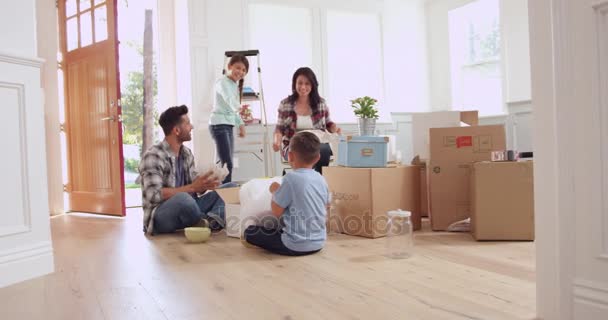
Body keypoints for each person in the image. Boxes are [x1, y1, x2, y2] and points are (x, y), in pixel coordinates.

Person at [139, 105, 231, 235]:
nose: (192, 126)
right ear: (176, 130)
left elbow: (195, 188)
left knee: (230, 188)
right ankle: (202, 219)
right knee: (183, 198)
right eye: (187, 123)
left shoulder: (186, 153)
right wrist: (192, 188)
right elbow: (153, 195)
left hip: (190, 206)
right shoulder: (153, 155)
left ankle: (211, 222)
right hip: (161, 215)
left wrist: (206, 184)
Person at [243, 132, 330, 256]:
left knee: (250, 231)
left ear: (290, 156)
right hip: (319, 243)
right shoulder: (321, 179)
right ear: (318, 157)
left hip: (294, 245)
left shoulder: (290, 178)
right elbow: (326, 206)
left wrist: (275, 191)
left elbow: (276, 211)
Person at [273, 67, 341, 174]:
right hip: (294, 143)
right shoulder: (285, 104)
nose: (303, 87)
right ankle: (301, 181)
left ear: (313, 85)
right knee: (301, 152)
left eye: (307, 83)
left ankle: (318, 179)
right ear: (294, 84)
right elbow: (279, 129)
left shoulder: (321, 103)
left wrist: (334, 128)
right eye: (300, 83)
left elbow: (328, 124)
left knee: (323, 149)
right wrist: (276, 142)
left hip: (316, 142)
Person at [209, 54, 249, 183]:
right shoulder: (222, 82)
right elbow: (229, 100)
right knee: (227, 164)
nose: (241, 72)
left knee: (226, 163)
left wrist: (241, 124)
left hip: (227, 125)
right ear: (229, 66)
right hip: (219, 125)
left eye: (244, 70)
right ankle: (225, 195)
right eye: (238, 68)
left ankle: (223, 193)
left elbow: (233, 110)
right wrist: (239, 108)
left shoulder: (234, 85)